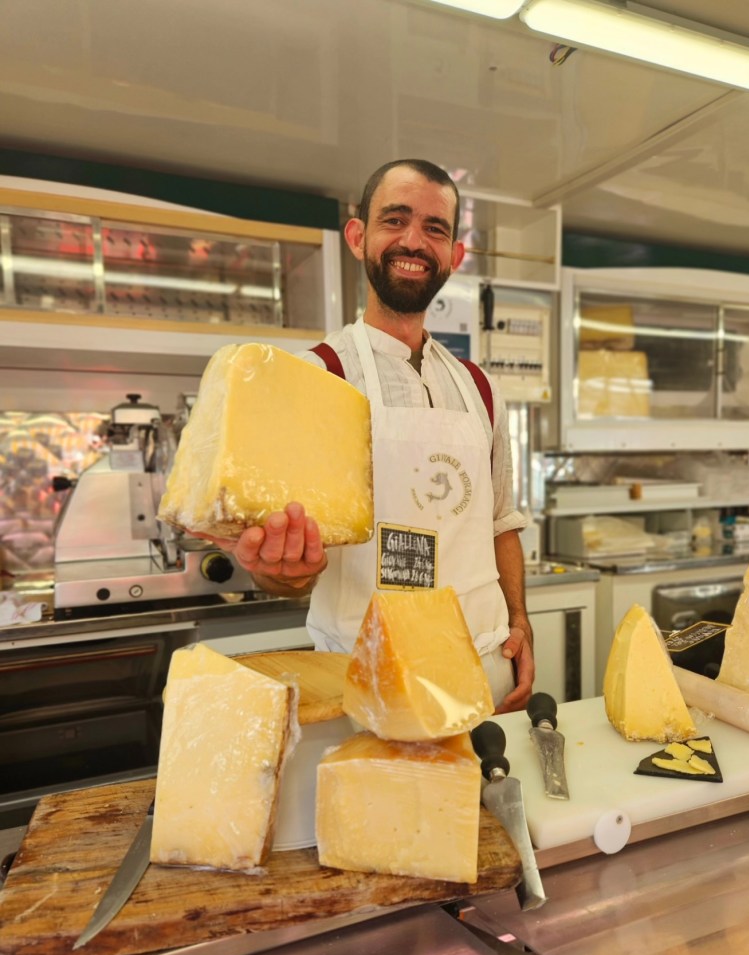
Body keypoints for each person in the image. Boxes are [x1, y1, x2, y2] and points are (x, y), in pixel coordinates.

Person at [211, 159, 534, 712]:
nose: (414, 240)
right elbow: (287, 572)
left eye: (435, 228)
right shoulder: (313, 379)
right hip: (364, 679)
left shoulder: (480, 387)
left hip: (484, 667)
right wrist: (282, 573)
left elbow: (501, 522)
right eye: (395, 219)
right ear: (358, 236)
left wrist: (520, 620)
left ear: (454, 256)